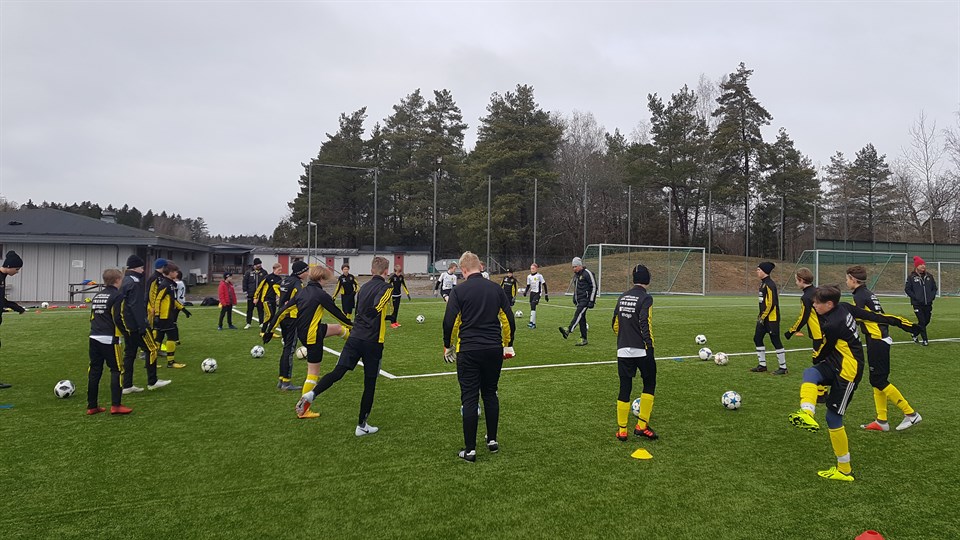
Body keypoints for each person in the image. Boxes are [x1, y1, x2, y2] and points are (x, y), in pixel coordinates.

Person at [788, 285, 921, 482]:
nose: (814, 305)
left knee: (833, 418)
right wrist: (904, 324)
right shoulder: (844, 307)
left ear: (829, 304)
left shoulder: (833, 324)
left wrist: (816, 356)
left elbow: (825, 349)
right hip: (836, 362)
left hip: (848, 371)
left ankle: (844, 470)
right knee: (811, 373)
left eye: (817, 303)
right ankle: (807, 412)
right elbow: (875, 317)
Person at [295, 257, 393, 435]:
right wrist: (377, 311)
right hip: (373, 342)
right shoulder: (387, 287)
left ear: (372, 270)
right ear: (386, 271)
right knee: (369, 384)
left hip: (354, 337)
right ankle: (362, 426)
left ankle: (312, 394)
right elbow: (380, 303)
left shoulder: (363, 287)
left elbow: (360, 308)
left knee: (338, 372)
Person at [442, 251, 516, 462]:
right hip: (493, 348)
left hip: (469, 350)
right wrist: (508, 345)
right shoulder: (495, 288)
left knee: (469, 397)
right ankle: (492, 440)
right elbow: (508, 319)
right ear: (480, 267)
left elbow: (450, 321)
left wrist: (447, 345)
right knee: (490, 393)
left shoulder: (459, 291)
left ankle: (470, 450)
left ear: (464, 270)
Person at [264, 265, 352, 418]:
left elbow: (281, 312)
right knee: (313, 374)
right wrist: (353, 325)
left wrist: (269, 331)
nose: (326, 282)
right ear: (321, 279)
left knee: (338, 329)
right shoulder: (321, 294)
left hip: (306, 332)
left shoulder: (302, 292)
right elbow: (337, 313)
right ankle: (303, 409)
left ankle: (356, 342)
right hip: (312, 336)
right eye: (326, 280)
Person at [846, 265, 922, 432]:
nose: (846, 282)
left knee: (879, 381)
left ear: (853, 280)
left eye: (847, 279)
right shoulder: (868, 294)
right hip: (879, 338)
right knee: (876, 380)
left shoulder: (859, 296)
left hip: (877, 340)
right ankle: (881, 421)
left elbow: (859, 317)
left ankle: (911, 413)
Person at [612, 264, 658, 442]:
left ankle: (622, 430)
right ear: (648, 279)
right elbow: (645, 322)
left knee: (625, 387)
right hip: (642, 349)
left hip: (623, 349)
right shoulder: (646, 298)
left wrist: (624, 338)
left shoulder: (622, 296)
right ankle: (641, 426)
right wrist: (649, 346)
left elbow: (615, 323)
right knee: (649, 383)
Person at [119, 255, 170, 393]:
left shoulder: (124, 280)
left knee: (129, 354)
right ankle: (152, 381)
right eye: (141, 267)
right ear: (135, 267)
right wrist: (143, 325)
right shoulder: (135, 283)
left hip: (126, 325)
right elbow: (136, 307)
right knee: (152, 349)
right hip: (136, 325)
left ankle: (127, 385)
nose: (143, 270)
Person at [86, 268, 132, 415]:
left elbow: (93, 316)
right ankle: (116, 405)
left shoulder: (98, 295)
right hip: (110, 338)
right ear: (117, 280)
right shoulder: (117, 296)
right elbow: (118, 317)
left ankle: (92, 406)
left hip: (94, 336)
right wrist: (127, 333)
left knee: (95, 371)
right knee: (117, 370)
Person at [784, 268, 826, 402]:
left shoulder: (806, 297)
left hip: (818, 334)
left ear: (801, 280)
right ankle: (823, 392)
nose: (796, 283)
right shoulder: (818, 291)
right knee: (824, 360)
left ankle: (822, 394)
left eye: (796, 280)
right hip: (827, 331)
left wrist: (791, 331)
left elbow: (803, 317)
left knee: (818, 361)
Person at [270, 261, 309, 390]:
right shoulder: (297, 283)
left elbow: (278, 289)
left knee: (286, 348)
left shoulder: (286, 280)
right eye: (306, 271)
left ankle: (281, 379)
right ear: (300, 272)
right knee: (290, 349)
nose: (307, 273)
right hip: (292, 318)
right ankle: (286, 382)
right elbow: (300, 299)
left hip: (283, 317)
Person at [750, 261, 787, 375]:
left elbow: (771, 303)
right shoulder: (763, 284)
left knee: (775, 340)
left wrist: (763, 316)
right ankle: (762, 365)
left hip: (771, 319)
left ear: (764, 271)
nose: (757, 271)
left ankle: (783, 367)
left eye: (759, 270)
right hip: (763, 318)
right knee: (757, 338)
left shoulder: (770, 284)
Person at [152, 263, 191, 369]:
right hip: (165, 317)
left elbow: (173, 300)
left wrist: (183, 309)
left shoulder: (170, 284)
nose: (177, 273)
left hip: (166, 316)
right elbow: (158, 300)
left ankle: (152, 363)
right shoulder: (165, 285)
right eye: (175, 271)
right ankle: (170, 362)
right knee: (170, 338)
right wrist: (157, 315)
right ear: (170, 273)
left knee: (159, 339)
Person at [0, 250, 25, 389]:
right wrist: (16, 307)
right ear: (9, 266)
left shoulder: (2, 277)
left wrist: (16, 307)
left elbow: (1, 300)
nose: (17, 272)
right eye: (17, 269)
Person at [558, 257, 596, 346]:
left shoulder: (587, 273)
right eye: (573, 267)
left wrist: (591, 300)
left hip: (585, 300)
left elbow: (594, 286)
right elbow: (576, 289)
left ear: (580, 265)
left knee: (578, 313)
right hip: (579, 300)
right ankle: (584, 339)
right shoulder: (576, 276)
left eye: (575, 267)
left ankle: (568, 330)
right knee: (581, 319)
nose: (574, 269)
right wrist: (574, 298)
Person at [905, 256, 937, 346]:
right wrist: (915, 297)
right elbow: (907, 289)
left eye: (924, 264)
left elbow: (934, 288)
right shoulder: (911, 277)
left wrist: (931, 297)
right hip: (917, 304)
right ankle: (925, 340)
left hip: (928, 303)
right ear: (916, 266)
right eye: (921, 264)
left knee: (926, 321)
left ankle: (914, 333)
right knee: (922, 321)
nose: (923, 266)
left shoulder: (929, 276)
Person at [255, 263, 284, 330]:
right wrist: (255, 297)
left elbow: (279, 289)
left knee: (273, 316)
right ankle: (263, 331)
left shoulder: (279, 279)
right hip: (266, 299)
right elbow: (259, 287)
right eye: (279, 270)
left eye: (281, 270)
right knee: (269, 315)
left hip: (273, 299)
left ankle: (270, 332)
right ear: (274, 269)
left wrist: (280, 297)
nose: (280, 271)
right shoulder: (267, 277)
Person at [523, 263, 548, 329]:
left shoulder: (539, 276)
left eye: (533, 268)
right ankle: (533, 324)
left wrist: (546, 294)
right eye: (531, 268)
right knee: (532, 307)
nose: (532, 270)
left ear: (536, 269)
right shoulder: (529, 276)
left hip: (537, 293)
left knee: (533, 304)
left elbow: (544, 285)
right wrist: (525, 292)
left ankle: (531, 322)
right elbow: (528, 285)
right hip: (532, 293)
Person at [243, 258, 267, 329]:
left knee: (260, 309)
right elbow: (245, 282)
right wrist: (245, 292)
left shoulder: (264, 272)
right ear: (254, 265)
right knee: (250, 309)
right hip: (251, 294)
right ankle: (248, 323)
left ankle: (261, 323)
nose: (259, 266)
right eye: (257, 264)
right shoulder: (248, 272)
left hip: (260, 294)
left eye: (260, 264)